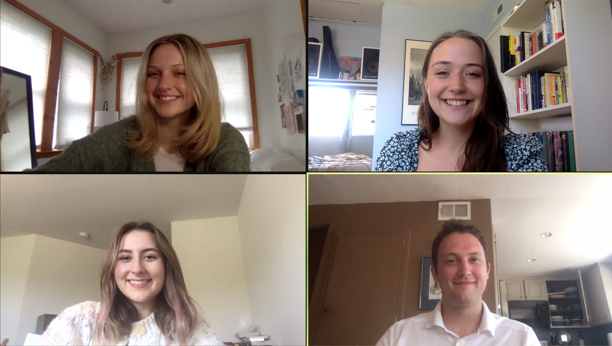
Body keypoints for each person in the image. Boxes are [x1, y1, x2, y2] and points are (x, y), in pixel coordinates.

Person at [29, 34, 250, 172]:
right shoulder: (113, 139)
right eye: (153, 74)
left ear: (203, 81)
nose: (164, 84)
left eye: (180, 73)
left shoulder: (226, 142)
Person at [374, 30, 547, 172]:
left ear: (487, 85)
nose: (457, 86)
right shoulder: (399, 149)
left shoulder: (520, 153)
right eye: (442, 72)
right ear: (426, 83)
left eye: (472, 74)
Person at [41, 221, 222, 345]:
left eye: (149, 256)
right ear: (113, 268)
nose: (137, 269)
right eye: (125, 257)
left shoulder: (192, 327)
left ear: (167, 266)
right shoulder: (77, 319)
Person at [377, 221, 540, 346]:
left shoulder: (523, 338)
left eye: (474, 259)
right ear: (435, 273)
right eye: (452, 261)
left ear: (487, 271)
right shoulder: (398, 336)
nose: (465, 270)